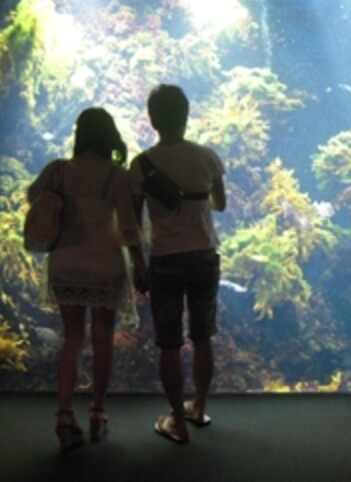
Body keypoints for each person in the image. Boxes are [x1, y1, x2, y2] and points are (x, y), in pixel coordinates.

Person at [28, 107, 146, 453]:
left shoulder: (58, 171)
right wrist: (140, 264)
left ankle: (64, 416)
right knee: (103, 337)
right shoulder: (116, 175)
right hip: (105, 264)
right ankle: (97, 412)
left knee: (72, 337)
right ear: (109, 136)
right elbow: (128, 226)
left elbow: (33, 196)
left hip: (66, 262)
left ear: (79, 135)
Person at [129, 84, 226, 444]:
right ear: (187, 116)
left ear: (152, 119)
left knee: (168, 343)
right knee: (203, 337)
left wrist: (138, 264)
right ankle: (198, 407)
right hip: (204, 254)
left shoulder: (141, 165)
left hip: (165, 258)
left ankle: (178, 423)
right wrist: (195, 202)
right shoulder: (207, 157)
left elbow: (133, 222)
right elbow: (220, 204)